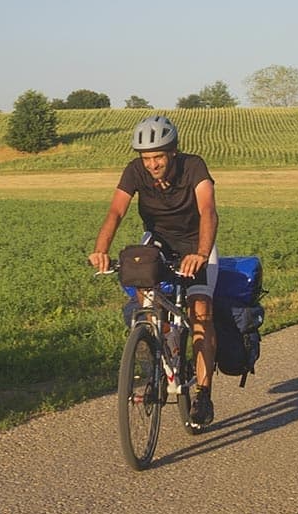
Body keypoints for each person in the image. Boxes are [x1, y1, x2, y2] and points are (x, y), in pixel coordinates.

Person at [88, 114, 220, 426]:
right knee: (145, 301)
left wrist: (201, 253)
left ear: (172, 152)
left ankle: (202, 393)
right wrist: (101, 249)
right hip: (158, 241)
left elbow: (208, 211)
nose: (152, 164)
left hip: (195, 242)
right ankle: (159, 348)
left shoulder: (194, 167)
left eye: (158, 156)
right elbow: (116, 210)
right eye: (147, 157)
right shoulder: (135, 171)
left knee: (200, 311)